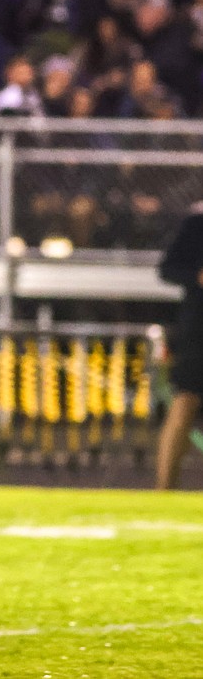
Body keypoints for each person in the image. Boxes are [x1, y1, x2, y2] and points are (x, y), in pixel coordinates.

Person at [155, 203, 203, 489]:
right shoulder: (197, 224)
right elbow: (168, 269)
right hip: (199, 326)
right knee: (185, 400)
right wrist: (197, 276)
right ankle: (164, 488)